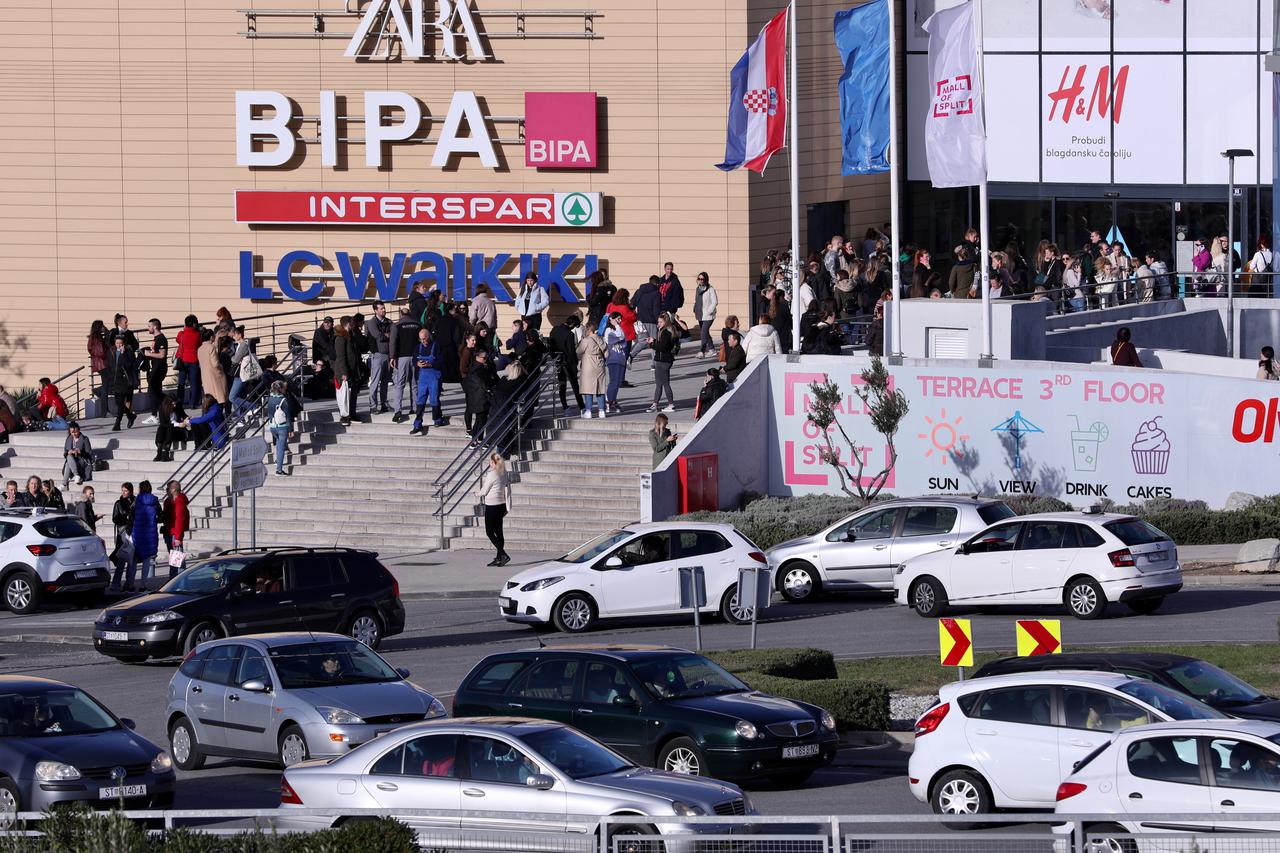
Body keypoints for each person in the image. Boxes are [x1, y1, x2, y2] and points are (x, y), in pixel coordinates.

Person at [476, 452, 510, 567]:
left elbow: (484, 491)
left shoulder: (492, 474)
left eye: (490, 461)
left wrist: (476, 493)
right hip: (501, 505)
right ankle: (499, 557)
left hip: (492, 506)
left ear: (493, 462)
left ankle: (503, 554)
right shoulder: (504, 473)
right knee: (499, 532)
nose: (489, 463)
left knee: (490, 532)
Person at [388, 306, 422, 424]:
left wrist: (392, 357)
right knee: (414, 384)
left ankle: (398, 411)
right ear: (410, 314)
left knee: (399, 384)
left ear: (400, 315)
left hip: (402, 358)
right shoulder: (418, 325)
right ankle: (415, 408)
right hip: (415, 357)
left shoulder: (396, 326)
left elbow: (393, 342)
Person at [410, 327, 445, 436]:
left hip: (434, 376)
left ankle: (437, 418)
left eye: (424, 339)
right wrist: (417, 364)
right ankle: (417, 423)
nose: (423, 341)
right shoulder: (418, 347)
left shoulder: (436, 346)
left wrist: (431, 364)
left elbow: (441, 361)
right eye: (421, 339)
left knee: (434, 399)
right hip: (423, 377)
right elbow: (414, 359)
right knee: (420, 400)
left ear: (428, 337)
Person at [127, 481, 160, 592]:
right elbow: (161, 515)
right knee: (146, 560)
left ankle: (130, 585)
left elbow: (131, 517)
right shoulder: (155, 501)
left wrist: (128, 531)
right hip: (150, 535)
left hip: (137, 534)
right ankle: (143, 585)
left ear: (140, 489)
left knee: (134, 560)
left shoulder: (136, 501)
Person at [549, 314, 584, 415]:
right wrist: (575, 363)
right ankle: (582, 407)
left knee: (562, 385)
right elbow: (571, 352)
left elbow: (551, 346)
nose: (574, 328)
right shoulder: (569, 334)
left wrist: (554, 358)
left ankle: (565, 407)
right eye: (575, 326)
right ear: (572, 324)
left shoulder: (554, 329)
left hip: (558, 360)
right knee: (575, 386)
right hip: (568, 362)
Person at [463, 347, 497, 441]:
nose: (485, 359)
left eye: (486, 357)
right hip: (480, 399)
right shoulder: (476, 369)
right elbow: (483, 383)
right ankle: (476, 439)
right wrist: (489, 388)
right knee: (481, 420)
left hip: (480, 398)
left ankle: (478, 438)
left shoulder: (482, 367)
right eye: (484, 357)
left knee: (481, 419)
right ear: (477, 357)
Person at [364, 301, 392, 415]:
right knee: (375, 382)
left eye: (384, 308)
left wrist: (387, 336)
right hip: (377, 355)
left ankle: (384, 404)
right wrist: (387, 335)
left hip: (388, 355)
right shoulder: (372, 322)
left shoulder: (388, 322)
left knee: (385, 382)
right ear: (375, 310)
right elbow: (378, 336)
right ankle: (373, 406)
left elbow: (393, 335)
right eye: (381, 309)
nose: (384, 310)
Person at [647, 312, 678, 413]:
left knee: (664, 383)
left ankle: (671, 404)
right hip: (663, 360)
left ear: (666, 322)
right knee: (659, 384)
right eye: (658, 322)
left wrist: (652, 344)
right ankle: (655, 404)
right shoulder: (667, 330)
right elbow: (663, 344)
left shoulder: (666, 332)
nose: (658, 324)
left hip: (663, 360)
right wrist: (655, 340)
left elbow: (662, 347)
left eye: (660, 322)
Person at [106, 334, 138, 431]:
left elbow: (129, 365)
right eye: (117, 343)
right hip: (115, 380)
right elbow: (110, 365)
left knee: (120, 402)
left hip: (124, 380)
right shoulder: (111, 351)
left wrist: (123, 354)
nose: (119, 345)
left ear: (124, 344)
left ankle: (117, 423)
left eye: (120, 343)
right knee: (118, 402)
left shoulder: (128, 351)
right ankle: (130, 415)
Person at [576, 322, 607, 419]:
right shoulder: (601, 339)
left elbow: (578, 351)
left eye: (586, 329)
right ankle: (602, 411)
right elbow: (607, 354)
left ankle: (588, 411)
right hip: (600, 366)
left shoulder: (586, 340)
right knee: (600, 388)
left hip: (588, 366)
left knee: (588, 389)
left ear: (589, 330)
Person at [629, 275, 663, 365]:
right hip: (652, 320)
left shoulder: (639, 291)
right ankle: (654, 364)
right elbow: (656, 309)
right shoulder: (656, 293)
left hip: (640, 320)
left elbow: (632, 304)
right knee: (654, 342)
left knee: (642, 341)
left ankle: (631, 355)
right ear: (657, 283)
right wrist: (659, 321)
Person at [140, 318, 168, 424]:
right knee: (155, 391)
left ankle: (155, 415)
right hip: (155, 367)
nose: (148, 328)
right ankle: (161, 413)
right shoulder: (156, 338)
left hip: (159, 369)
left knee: (153, 391)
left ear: (155, 326)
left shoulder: (161, 339)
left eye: (149, 326)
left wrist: (149, 354)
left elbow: (162, 355)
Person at [227, 326, 261, 414]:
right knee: (238, 395)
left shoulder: (243, 345)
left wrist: (231, 356)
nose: (233, 336)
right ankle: (241, 415)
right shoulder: (241, 345)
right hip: (241, 373)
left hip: (242, 374)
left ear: (239, 335)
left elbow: (235, 360)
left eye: (234, 335)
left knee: (232, 397)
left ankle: (253, 407)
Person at [108, 483, 135, 592]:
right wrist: (126, 516)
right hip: (122, 533)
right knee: (121, 560)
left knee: (131, 560)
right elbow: (115, 519)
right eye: (122, 490)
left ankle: (128, 584)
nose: (123, 493)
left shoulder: (136, 502)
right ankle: (116, 583)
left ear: (131, 491)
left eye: (125, 491)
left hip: (133, 533)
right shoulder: (118, 503)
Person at [331, 317, 358, 427]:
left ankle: (351, 413)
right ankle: (344, 416)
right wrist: (344, 372)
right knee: (344, 394)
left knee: (351, 393)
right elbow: (341, 357)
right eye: (352, 324)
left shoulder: (349, 336)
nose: (354, 326)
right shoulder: (341, 338)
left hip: (351, 370)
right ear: (348, 324)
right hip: (343, 371)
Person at [265, 380, 295, 476]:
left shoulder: (270, 399)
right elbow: (288, 416)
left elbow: (269, 413)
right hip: (282, 427)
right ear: (281, 389)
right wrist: (290, 430)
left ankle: (277, 460)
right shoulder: (283, 400)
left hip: (273, 426)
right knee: (281, 448)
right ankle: (279, 470)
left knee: (278, 444)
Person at [603, 312, 628, 414]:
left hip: (620, 359)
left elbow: (624, 343)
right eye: (617, 319)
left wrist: (617, 326)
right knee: (613, 382)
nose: (620, 321)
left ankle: (613, 401)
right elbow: (621, 337)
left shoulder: (617, 329)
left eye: (620, 319)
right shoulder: (609, 330)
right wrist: (617, 325)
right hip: (613, 359)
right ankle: (608, 402)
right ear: (611, 319)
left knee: (617, 383)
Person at [174, 315, 202, 408]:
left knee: (181, 382)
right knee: (194, 383)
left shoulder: (181, 334)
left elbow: (178, 340)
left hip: (182, 361)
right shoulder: (198, 334)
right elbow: (199, 344)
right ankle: (192, 403)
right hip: (194, 360)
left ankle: (179, 402)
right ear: (194, 323)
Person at [161, 480, 189, 571]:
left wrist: (177, 537)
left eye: (167, 489)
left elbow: (179, 520)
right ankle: (174, 578)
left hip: (174, 533)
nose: (166, 490)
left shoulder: (179, 501)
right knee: (174, 558)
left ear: (173, 490)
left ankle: (179, 580)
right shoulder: (169, 501)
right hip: (169, 531)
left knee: (177, 559)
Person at [197, 326, 229, 405]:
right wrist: (221, 367)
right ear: (211, 337)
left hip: (205, 375)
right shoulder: (211, 347)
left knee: (210, 398)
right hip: (215, 376)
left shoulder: (200, 349)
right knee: (219, 398)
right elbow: (215, 363)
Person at [153, 394, 187, 463]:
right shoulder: (162, 408)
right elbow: (163, 423)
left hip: (177, 430)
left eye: (175, 404)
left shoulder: (178, 406)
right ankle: (159, 452)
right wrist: (177, 424)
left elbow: (184, 415)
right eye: (173, 404)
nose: (174, 405)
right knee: (161, 428)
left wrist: (187, 419)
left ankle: (166, 452)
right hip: (167, 430)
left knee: (169, 428)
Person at [692, 272, 718, 358]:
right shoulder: (697, 289)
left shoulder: (710, 289)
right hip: (700, 314)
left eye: (702, 279)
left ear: (706, 280)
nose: (700, 280)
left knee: (703, 333)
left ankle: (701, 351)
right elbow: (697, 300)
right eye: (699, 279)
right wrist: (695, 308)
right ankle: (712, 350)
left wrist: (709, 311)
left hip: (708, 315)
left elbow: (715, 302)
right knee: (705, 332)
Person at [87, 319, 110, 414]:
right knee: (106, 386)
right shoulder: (97, 338)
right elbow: (101, 352)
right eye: (102, 326)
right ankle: (105, 411)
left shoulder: (93, 337)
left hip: (99, 364)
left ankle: (98, 391)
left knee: (107, 384)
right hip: (102, 364)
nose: (103, 327)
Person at [61, 422, 92, 488]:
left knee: (68, 463)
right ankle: (76, 475)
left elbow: (89, 454)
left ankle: (64, 484)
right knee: (68, 458)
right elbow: (65, 454)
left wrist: (80, 452)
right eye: (72, 432)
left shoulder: (84, 439)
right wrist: (68, 452)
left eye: (76, 432)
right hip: (72, 460)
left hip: (82, 461)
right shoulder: (69, 439)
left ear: (79, 430)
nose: (74, 434)